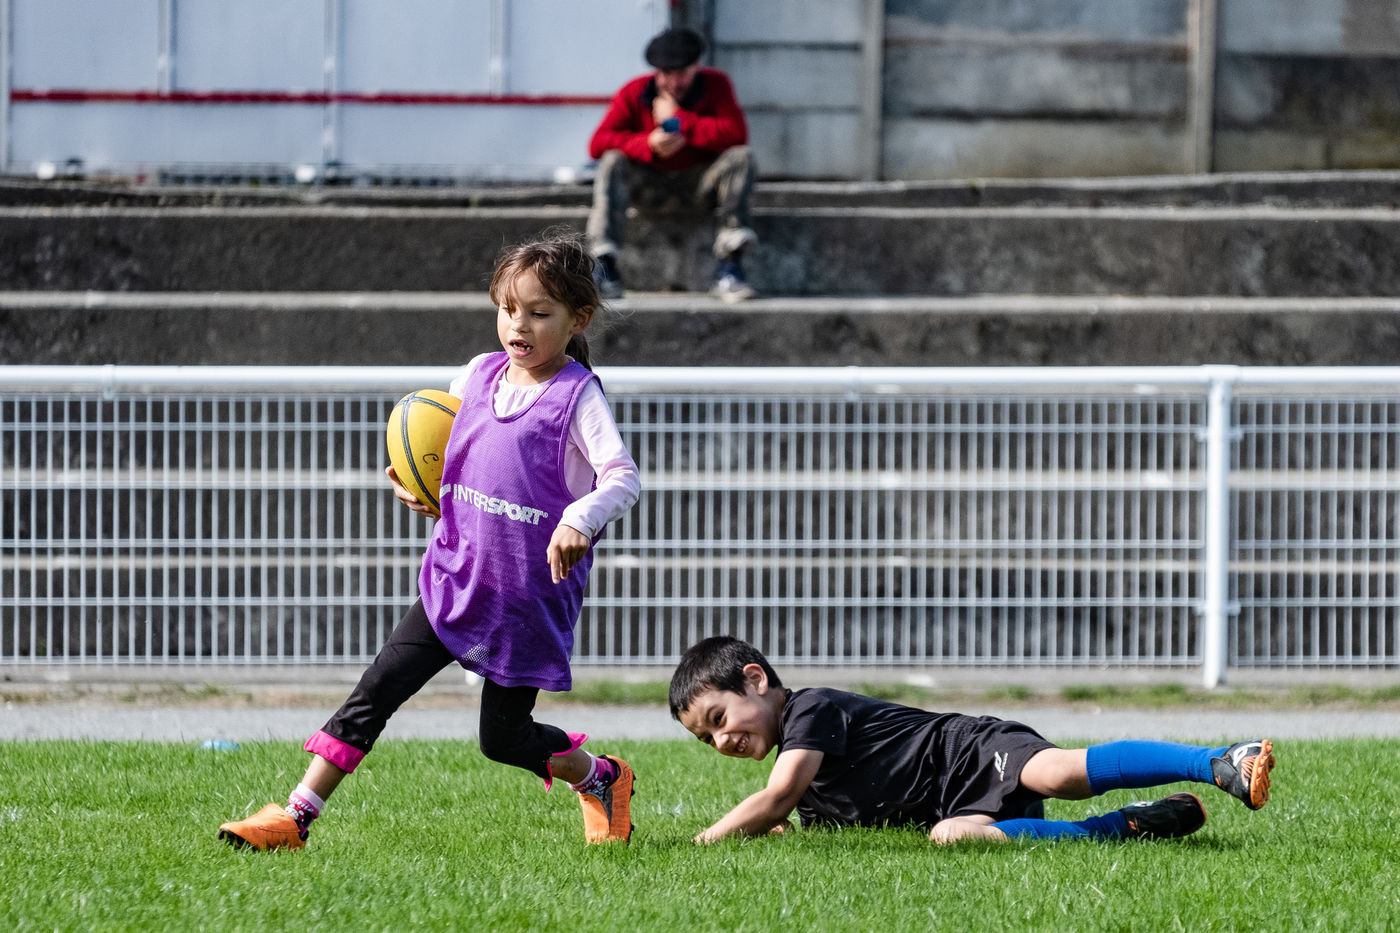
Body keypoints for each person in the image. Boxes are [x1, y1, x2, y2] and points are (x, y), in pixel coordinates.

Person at [217, 231, 642, 851]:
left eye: (538, 313)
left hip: (525, 602)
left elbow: (622, 477)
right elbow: (450, 460)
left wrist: (580, 518)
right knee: (375, 691)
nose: (518, 325)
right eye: (508, 308)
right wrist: (424, 490)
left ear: (578, 319)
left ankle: (601, 777)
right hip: (453, 580)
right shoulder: (476, 374)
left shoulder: (578, 396)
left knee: (503, 739)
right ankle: (294, 818)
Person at [669, 636, 1277, 845]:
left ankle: (1219, 761)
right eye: (705, 739)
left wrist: (704, 844)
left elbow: (775, 798)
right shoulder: (807, 787)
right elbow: (814, 815)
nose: (721, 741)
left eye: (719, 718)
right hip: (959, 807)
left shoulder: (810, 709)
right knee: (952, 839)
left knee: (1060, 774)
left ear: (756, 680)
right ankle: (1127, 825)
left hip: (970, 751)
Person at [587, 26, 758, 303]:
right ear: (656, 71)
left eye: (682, 73)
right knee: (612, 161)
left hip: (699, 187)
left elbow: (736, 134)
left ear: (696, 66)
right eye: (666, 73)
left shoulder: (716, 85)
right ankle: (604, 266)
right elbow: (598, 144)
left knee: (741, 158)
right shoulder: (634, 91)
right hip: (649, 187)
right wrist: (647, 144)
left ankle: (731, 267)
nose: (674, 81)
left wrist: (680, 119)